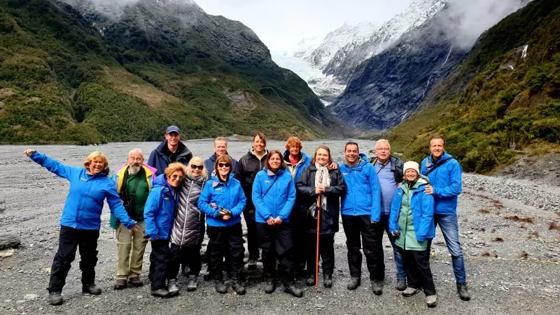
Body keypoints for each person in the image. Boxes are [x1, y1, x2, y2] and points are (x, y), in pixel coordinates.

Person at [23, 149, 139, 306]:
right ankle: (55, 290)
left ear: (104, 166)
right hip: (69, 225)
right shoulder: (75, 173)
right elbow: (54, 166)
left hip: (90, 227)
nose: (97, 164)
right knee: (63, 258)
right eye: (94, 162)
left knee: (89, 258)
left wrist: (128, 222)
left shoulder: (107, 183)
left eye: (101, 163)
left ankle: (88, 284)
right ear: (89, 163)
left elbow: (116, 204)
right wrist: (36, 155)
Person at [420, 136, 471, 301]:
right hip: (428, 212)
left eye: (439, 145)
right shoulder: (424, 162)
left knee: (455, 249)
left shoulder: (453, 164)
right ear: (430, 147)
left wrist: (436, 191)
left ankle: (461, 284)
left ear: (444, 147)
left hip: (446, 212)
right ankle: (424, 281)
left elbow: (456, 188)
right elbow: (420, 184)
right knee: (423, 248)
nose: (436, 148)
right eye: (434, 145)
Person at [252, 150, 303, 298]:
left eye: (277, 159)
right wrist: (267, 216)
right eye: (272, 159)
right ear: (268, 160)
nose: (275, 161)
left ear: (281, 161)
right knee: (267, 251)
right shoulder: (260, 176)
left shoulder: (287, 176)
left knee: (287, 250)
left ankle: (288, 282)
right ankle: (270, 279)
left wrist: (282, 216)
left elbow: (291, 196)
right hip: (263, 220)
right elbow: (256, 196)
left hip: (283, 221)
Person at [296, 145, 346, 288]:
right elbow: (300, 186)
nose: (322, 157)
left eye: (324, 155)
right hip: (312, 216)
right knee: (311, 247)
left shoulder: (335, 171)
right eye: (319, 155)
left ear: (329, 157)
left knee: (327, 247)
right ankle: (312, 273)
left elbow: (342, 188)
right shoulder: (308, 170)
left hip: (328, 215)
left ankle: (327, 274)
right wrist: (313, 190)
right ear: (315, 156)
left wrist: (327, 189)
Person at [389, 161, 437, 307]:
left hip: (417, 232)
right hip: (402, 233)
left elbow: (428, 214)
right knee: (407, 261)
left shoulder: (424, 189)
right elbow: (394, 209)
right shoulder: (400, 188)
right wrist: (392, 226)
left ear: (417, 173)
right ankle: (413, 285)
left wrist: (421, 233)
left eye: (413, 171)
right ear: (404, 174)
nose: (410, 174)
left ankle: (430, 292)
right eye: (407, 172)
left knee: (421, 264)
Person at [339, 142, 384, 294]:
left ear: (358, 153)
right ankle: (355, 277)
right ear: (345, 152)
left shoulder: (368, 168)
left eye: (354, 151)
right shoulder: (340, 169)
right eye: (349, 151)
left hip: (366, 213)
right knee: (352, 247)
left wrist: (376, 214)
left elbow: (376, 190)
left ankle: (375, 279)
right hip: (348, 213)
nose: (351, 153)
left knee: (371, 248)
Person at [198, 155, 247, 295]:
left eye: (226, 165)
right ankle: (218, 279)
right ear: (217, 167)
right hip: (216, 225)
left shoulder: (236, 183)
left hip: (233, 223)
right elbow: (201, 203)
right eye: (221, 165)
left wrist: (232, 212)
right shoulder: (210, 184)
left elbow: (242, 201)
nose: (224, 167)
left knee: (236, 252)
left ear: (230, 167)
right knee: (216, 253)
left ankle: (236, 279)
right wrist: (216, 213)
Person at [111, 149, 156, 290]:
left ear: (143, 161)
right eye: (133, 158)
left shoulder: (150, 176)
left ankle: (134, 274)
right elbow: (112, 197)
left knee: (139, 246)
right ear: (128, 159)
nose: (136, 161)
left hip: (143, 217)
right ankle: (122, 276)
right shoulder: (118, 176)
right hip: (124, 217)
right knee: (123, 246)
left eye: (139, 158)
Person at [144, 163, 186, 298]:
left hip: (168, 230)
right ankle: (157, 286)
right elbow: (149, 212)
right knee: (162, 258)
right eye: (174, 176)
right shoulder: (159, 191)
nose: (177, 179)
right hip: (158, 231)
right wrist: (152, 231)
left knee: (156, 256)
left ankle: (153, 277)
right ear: (168, 175)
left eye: (180, 177)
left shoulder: (173, 190)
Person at [167, 157, 208, 292]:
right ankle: (172, 280)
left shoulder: (206, 183)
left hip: (196, 223)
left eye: (200, 167)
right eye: (194, 166)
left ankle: (193, 276)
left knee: (194, 252)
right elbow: (167, 180)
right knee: (174, 253)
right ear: (189, 167)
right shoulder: (182, 180)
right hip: (179, 222)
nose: (196, 169)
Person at [370, 139, 406, 291]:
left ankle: (401, 277)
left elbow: (412, 179)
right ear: (375, 151)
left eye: (386, 149)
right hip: (376, 214)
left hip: (394, 215)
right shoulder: (370, 166)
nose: (383, 151)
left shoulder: (398, 165)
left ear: (389, 151)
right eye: (380, 149)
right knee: (376, 247)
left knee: (398, 247)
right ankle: (379, 277)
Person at [236, 132, 268, 270]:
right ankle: (253, 256)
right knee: (252, 229)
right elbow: (238, 182)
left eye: (261, 142)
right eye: (257, 141)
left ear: (265, 143)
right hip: (249, 202)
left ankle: (267, 255)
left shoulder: (271, 158)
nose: (259, 144)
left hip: (267, 202)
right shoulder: (243, 160)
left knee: (267, 229)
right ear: (252, 143)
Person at [282, 136, 311, 277]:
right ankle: (287, 264)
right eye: (292, 146)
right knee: (287, 235)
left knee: (301, 236)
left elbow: (322, 166)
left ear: (300, 148)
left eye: (297, 146)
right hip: (285, 204)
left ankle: (300, 265)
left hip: (302, 203)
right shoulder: (280, 161)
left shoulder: (308, 161)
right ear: (287, 147)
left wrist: (332, 165)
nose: (294, 149)